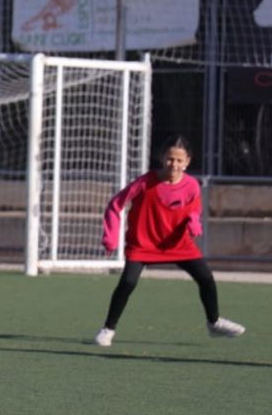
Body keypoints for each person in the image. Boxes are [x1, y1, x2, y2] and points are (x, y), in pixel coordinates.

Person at [93, 136, 245, 347]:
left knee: (206, 278)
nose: (173, 164)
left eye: (179, 160)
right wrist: (110, 236)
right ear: (162, 158)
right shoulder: (145, 182)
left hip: (178, 244)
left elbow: (194, 210)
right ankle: (107, 329)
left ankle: (214, 323)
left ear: (187, 162)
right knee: (127, 282)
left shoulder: (192, 185)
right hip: (143, 244)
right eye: (169, 159)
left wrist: (194, 223)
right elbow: (116, 203)